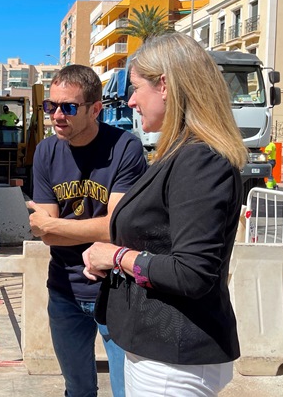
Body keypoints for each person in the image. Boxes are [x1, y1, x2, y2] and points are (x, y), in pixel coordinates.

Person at [82, 32, 247, 396]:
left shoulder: (200, 161)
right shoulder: (181, 155)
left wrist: (116, 255)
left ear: (166, 85)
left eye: (136, 87)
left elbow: (191, 272)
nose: (130, 101)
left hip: (175, 356)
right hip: (160, 350)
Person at [27, 64, 148, 397]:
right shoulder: (46, 151)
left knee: (128, 390)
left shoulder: (125, 148)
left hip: (117, 292)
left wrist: (53, 225)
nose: (57, 115)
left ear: (95, 109)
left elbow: (117, 226)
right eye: (51, 106)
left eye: (69, 107)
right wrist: (58, 228)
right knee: (78, 389)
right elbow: (46, 233)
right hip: (64, 292)